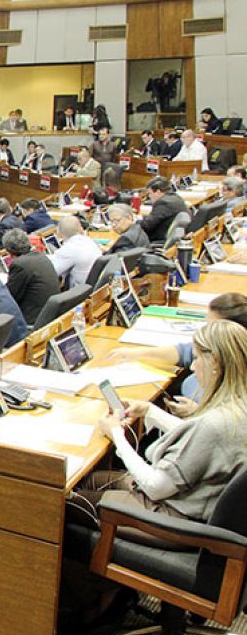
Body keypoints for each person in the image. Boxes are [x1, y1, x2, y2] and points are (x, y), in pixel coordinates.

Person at [85, 320, 247, 524]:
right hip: (190, 500)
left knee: (70, 502)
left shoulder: (215, 423)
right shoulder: (238, 406)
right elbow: (201, 442)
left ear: (214, 362)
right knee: (90, 480)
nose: (192, 366)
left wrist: (117, 435)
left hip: (173, 518)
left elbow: (155, 486)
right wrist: (150, 411)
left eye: (196, 359)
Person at [107, 293, 247, 408]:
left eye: (211, 326)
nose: (193, 366)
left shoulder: (234, 386)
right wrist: (137, 354)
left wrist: (197, 412)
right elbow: (183, 352)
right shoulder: (216, 350)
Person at [2, 229, 61, 326]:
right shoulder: (41, 256)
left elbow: (11, 296)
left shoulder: (19, 265)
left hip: (34, 320)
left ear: (9, 251)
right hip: (50, 313)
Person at [50, 215, 102, 288]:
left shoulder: (69, 249)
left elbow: (51, 272)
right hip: (93, 287)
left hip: (79, 292)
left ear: (59, 233)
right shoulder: (88, 241)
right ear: (80, 229)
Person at [141, 176, 187, 243]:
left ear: (158, 191)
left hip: (157, 240)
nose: (149, 197)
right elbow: (156, 218)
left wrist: (132, 222)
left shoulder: (163, 203)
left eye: (150, 194)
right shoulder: (176, 197)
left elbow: (146, 225)